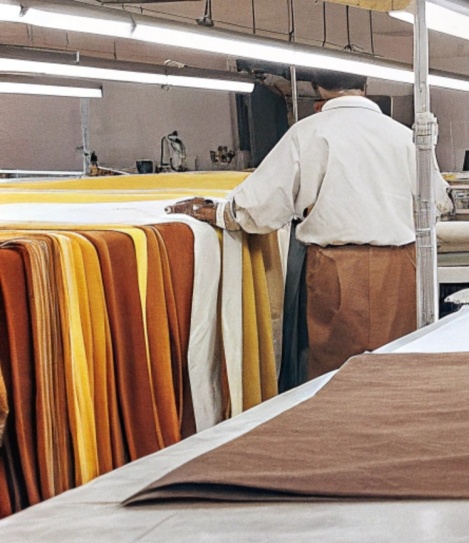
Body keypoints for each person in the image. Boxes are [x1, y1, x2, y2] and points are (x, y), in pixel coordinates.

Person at [168, 69, 443, 385]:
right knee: (399, 371)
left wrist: (222, 213)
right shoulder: (403, 136)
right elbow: (436, 203)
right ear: (365, 85)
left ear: (316, 89)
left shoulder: (310, 132)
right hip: (402, 270)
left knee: (338, 377)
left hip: (338, 270)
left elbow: (264, 202)